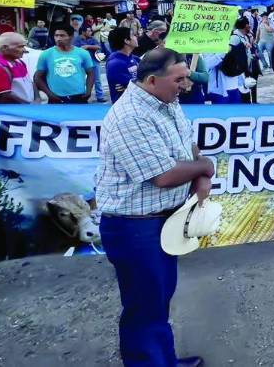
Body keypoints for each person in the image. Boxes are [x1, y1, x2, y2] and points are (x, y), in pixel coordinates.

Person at [95, 48, 211, 367]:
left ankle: (164, 360)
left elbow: (188, 143)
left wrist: (200, 170)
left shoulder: (167, 101)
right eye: (180, 78)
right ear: (151, 80)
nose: (186, 83)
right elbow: (163, 176)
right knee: (144, 305)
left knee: (158, 299)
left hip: (160, 221)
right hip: (134, 227)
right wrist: (207, 168)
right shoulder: (131, 115)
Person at [34, 24, 95, 104]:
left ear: (71, 37)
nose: (58, 39)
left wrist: (88, 91)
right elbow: (38, 77)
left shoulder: (83, 53)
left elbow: (90, 73)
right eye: (56, 36)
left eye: (62, 36)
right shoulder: (46, 54)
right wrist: (50, 94)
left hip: (79, 97)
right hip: (56, 98)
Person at [0, 33, 35, 105]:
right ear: (4, 48)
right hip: (8, 113)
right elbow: (4, 97)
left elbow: (30, 83)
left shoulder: (20, 62)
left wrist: (37, 98)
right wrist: (29, 105)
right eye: (20, 47)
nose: (24, 50)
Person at [105, 27, 140, 104]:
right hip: (125, 105)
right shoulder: (115, 63)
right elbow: (138, 86)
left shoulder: (134, 58)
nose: (136, 36)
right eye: (133, 35)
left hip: (136, 102)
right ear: (126, 41)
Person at [75, 25, 107, 103]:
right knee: (81, 80)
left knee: (97, 79)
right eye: (89, 31)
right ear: (83, 32)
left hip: (93, 60)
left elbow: (98, 47)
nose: (91, 32)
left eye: (90, 31)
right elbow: (74, 49)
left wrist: (87, 46)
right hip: (81, 62)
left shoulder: (92, 38)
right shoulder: (77, 39)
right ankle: (81, 96)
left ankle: (100, 97)